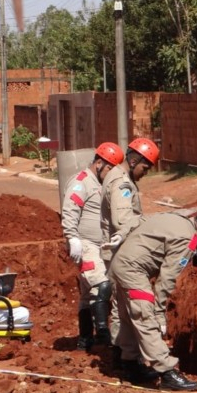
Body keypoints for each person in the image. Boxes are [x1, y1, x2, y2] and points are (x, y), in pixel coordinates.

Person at [108, 205, 197, 391]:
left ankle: (131, 365)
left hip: (119, 264)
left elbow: (140, 219)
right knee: (145, 317)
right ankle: (167, 373)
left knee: (127, 316)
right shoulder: (187, 240)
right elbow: (167, 279)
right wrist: (158, 311)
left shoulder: (175, 218)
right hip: (133, 270)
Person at [100, 137, 160, 358]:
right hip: (121, 253)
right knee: (123, 308)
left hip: (120, 252)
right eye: (145, 167)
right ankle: (125, 356)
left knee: (121, 305)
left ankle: (124, 353)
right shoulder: (122, 184)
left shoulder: (118, 176)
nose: (146, 172)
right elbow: (123, 221)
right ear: (134, 160)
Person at [61, 142, 125, 350]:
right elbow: (70, 209)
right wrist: (72, 237)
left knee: (88, 294)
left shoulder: (101, 183)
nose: (110, 174)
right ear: (99, 163)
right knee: (102, 285)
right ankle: (103, 335)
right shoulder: (82, 182)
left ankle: (85, 339)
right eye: (108, 169)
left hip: (100, 246)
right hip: (85, 244)